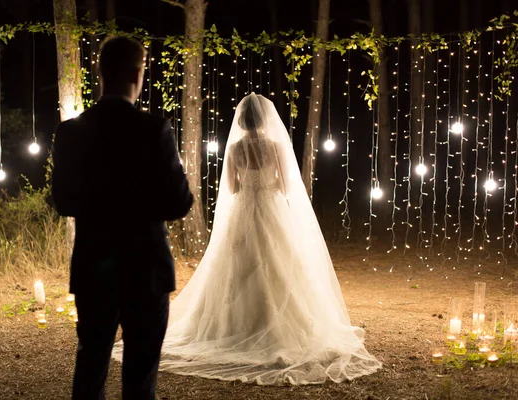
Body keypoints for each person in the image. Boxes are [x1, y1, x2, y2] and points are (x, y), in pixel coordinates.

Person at [139, 93, 382, 385]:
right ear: (266, 119)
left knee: (237, 265)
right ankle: (275, 324)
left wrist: (250, 185)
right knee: (277, 260)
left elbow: (231, 185)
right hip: (270, 206)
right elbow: (284, 183)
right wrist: (267, 186)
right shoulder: (276, 146)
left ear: (241, 121)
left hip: (244, 208)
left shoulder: (236, 148)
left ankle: (231, 328)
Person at [51, 35, 193, 400]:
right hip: (145, 267)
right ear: (137, 72)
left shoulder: (70, 132)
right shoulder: (154, 130)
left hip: (94, 266)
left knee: (91, 367)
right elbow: (179, 204)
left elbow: (63, 201)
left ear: (100, 72)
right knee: (141, 377)